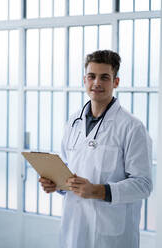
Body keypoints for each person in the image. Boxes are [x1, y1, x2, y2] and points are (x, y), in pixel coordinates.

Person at [39, 50, 152, 248]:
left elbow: (143, 185)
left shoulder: (132, 127)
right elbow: (69, 168)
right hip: (74, 227)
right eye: (92, 76)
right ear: (84, 79)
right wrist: (56, 184)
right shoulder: (73, 123)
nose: (97, 83)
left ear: (115, 82)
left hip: (111, 234)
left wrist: (98, 191)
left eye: (104, 77)